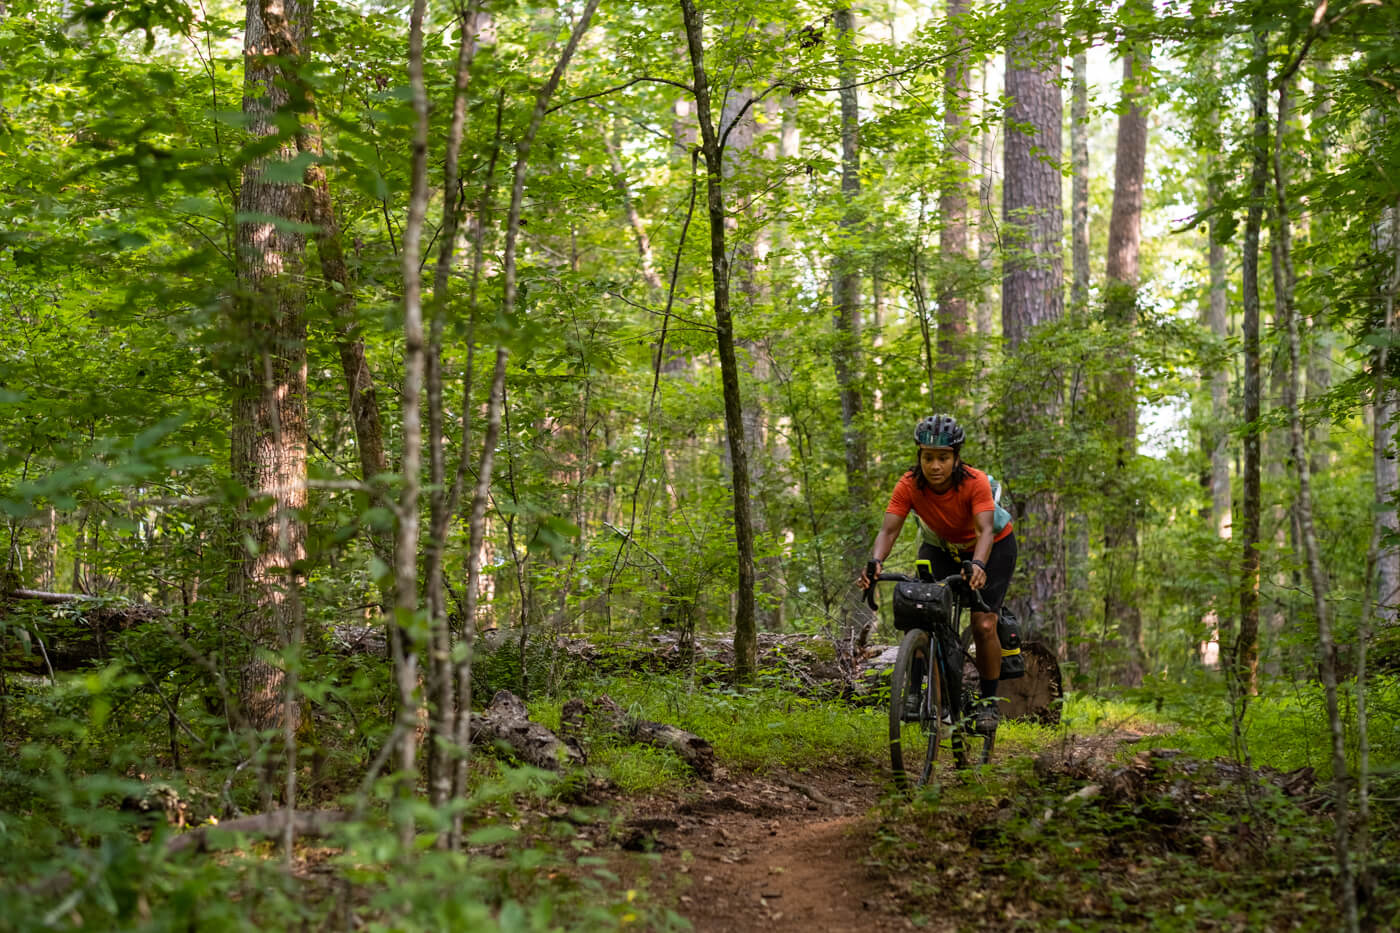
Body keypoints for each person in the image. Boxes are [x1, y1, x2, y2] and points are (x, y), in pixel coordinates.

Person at [858, 414, 1017, 734]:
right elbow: (888, 531)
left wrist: (979, 566)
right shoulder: (909, 484)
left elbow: (985, 530)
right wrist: (874, 563)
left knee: (983, 623)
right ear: (919, 456)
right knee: (921, 608)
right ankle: (916, 693)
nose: (935, 466)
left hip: (993, 546)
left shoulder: (974, 482)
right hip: (941, 547)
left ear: (956, 458)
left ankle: (988, 703)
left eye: (943, 458)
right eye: (928, 457)